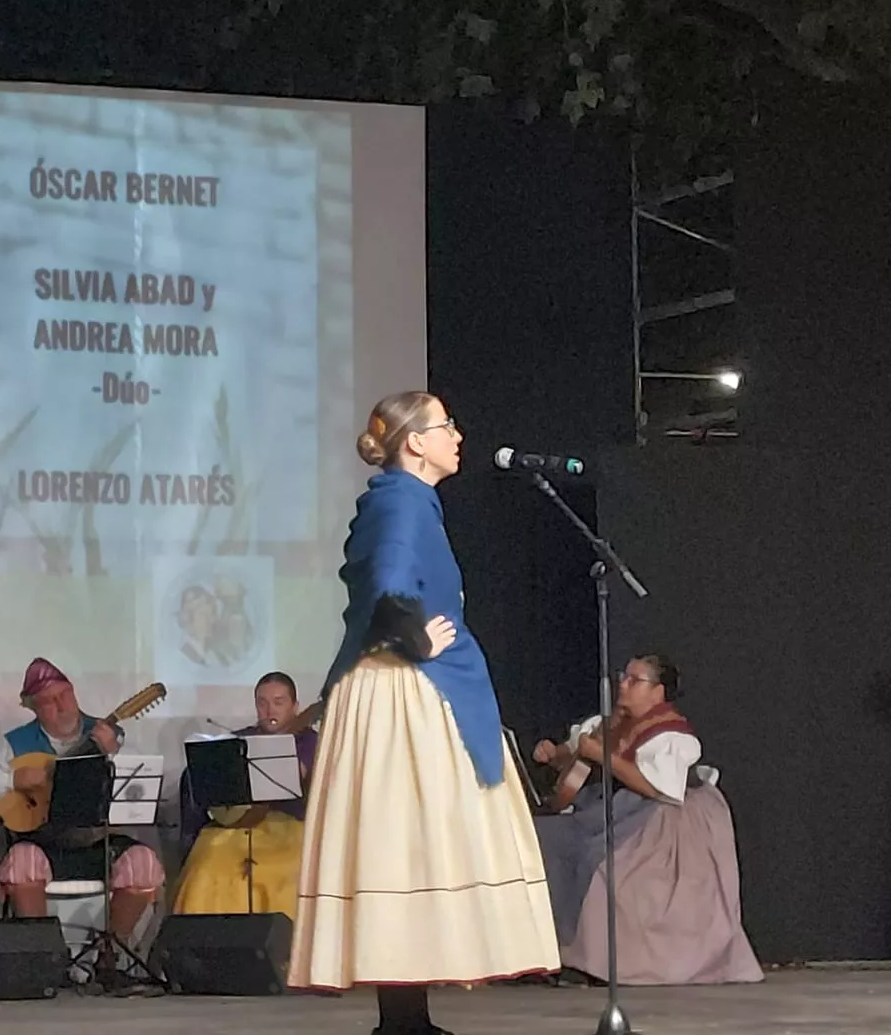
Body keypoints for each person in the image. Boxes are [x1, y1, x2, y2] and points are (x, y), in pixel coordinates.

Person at [289, 391, 556, 1035]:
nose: (457, 436)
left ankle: (406, 1014)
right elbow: (386, 584)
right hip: (404, 688)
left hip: (406, 684)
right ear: (415, 442)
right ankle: (403, 1017)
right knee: (406, 841)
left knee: (405, 847)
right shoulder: (403, 503)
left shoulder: (405, 502)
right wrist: (415, 638)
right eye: (446, 427)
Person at [532, 654, 760, 986]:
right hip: (615, 806)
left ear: (658, 692)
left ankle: (595, 961)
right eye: (624, 677)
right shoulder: (610, 723)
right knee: (546, 839)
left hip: (659, 816)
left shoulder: (672, 735)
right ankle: (547, 952)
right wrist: (555, 754)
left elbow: (657, 787)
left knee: (597, 862)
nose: (623, 685)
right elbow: (577, 760)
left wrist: (603, 757)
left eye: (634, 680)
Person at [0, 657, 166, 986]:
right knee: (23, 862)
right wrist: (18, 777)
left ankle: (111, 957)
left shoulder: (108, 735)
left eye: (65, 694)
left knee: (142, 862)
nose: (62, 705)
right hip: (44, 841)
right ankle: (43, 959)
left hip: (98, 840)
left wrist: (110, 756)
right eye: (49, 701)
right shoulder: (14, 743)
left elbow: (137, 787)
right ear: (34, 709)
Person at [171, 671, 318, 917]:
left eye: (278, 702)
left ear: (295, 706)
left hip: (288, 827)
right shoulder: (241, 739)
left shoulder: (308, 740)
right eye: (262, 703)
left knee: (270, 869)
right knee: (207, 862)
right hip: (235, 828)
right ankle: (207, 944)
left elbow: (295, 773)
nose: (269, 710)